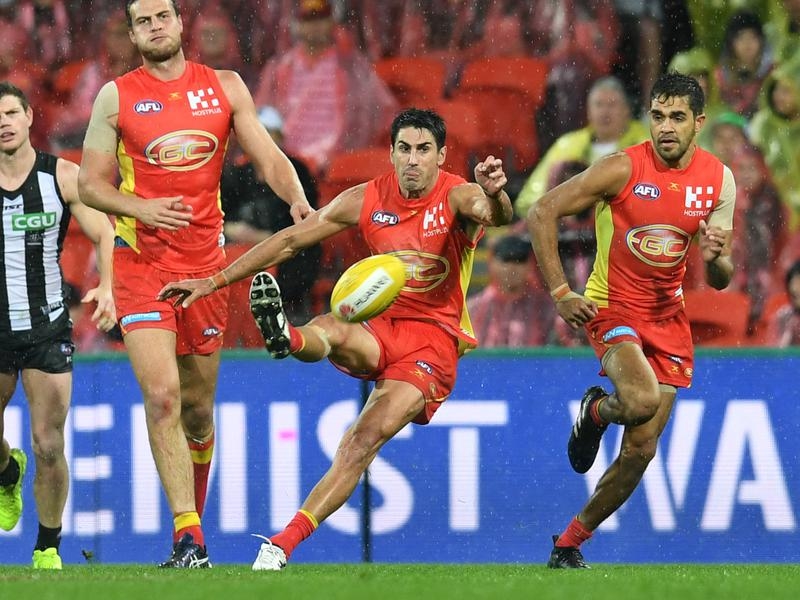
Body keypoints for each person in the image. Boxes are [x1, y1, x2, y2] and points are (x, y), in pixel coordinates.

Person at [158, 107, 513, 570]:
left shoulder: (458, 195)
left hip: (433, 341)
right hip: (381, 324)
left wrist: (496, 194)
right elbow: (290, 241)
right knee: (333, 324)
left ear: (441, 155)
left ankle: (282, 544)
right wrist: (214, 280)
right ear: (391, 153)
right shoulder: (366, 198)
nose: (413, 160)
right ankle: (286, 336)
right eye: (404, 149)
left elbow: (495, 215)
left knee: (362, 439)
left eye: (424, 150)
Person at [76, 0, 313, 568]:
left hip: (207, 270)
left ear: (181, 23)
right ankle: (190, 537)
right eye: (144, 21)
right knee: (162, 397)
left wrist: (298, 200)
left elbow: (268, 156)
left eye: (163, 16)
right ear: (133, 34)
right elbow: (88, 185)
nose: (155, 27)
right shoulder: (115, 97)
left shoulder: (225, 87)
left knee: (199, 411)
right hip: (140, 264)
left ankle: (191, 531)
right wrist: (142, 208)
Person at [527, 72, 735, 568]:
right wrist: (561, 292)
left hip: (668, 317)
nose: (666, 127)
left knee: (641, 450)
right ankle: (598, 412)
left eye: (677, 117)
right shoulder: (621, 168)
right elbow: (541, 211)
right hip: (613, 307)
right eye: (658, 116)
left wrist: (715, 259)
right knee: (640, 401)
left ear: (699, 122)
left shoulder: (718, 179)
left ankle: (569, 542)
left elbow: (722, 276)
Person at [0, 81, 116, 569]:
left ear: (29, 117)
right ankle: (7, 474)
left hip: (46, 328)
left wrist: (107, 286)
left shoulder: (61, 176)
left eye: (10, 113)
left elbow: (104, 231)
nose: (3, 123)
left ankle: (47, 547)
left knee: (48, 444)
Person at [252, 0, 398, 175]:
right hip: (287, 157)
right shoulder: (281, 67)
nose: (315, 27)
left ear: (331, 21)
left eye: (320, 19)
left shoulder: (351, 67)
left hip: (335, 160)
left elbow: (383, 110)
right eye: (308, 20)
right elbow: (260, 115)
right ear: (297, 25)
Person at [220, 105, 322, 324]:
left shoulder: (297, 172)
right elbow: (222, 215)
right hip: (239, 249)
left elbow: (308, 220)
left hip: (288, 252)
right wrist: (232, 229)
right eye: (257, 133)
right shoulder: (236, 174)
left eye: (268, 133)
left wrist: (263, 238)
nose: (262, 140)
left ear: (280, 137)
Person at [515, 76, 648, 219]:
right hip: (568, 228)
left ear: (627, 110)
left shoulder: (645, 143)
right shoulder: (567, 144)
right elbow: (530, 202)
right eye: (599, 105)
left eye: (612, 104)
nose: (605, 112)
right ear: (588, 112)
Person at [467, 234, 555, 347]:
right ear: (492, 262)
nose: (512, 268)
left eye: (519, 261)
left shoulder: (546, 307)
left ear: (530, 265)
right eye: (506, 260)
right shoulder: (473, 307)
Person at [769, 259, 800, 347]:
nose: (796, 287)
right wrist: (789, 332)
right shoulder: (783, 317)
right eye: (794, 282)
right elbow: (775, 351)